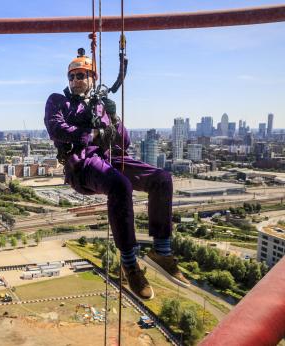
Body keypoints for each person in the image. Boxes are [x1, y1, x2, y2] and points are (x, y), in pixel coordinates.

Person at [44, 49, 189, 300]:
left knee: (162, 179)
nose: (77, 80)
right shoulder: (58, 100)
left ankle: (162, 251)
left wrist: (114, 117)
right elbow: (58, 129)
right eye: (73, 76)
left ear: (93, 78)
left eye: (82, 75)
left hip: (110, 157)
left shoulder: (101, 105)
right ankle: (129, 263)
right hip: (82, 162)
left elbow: (123, 142)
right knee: (120, 186)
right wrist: (93, 135)